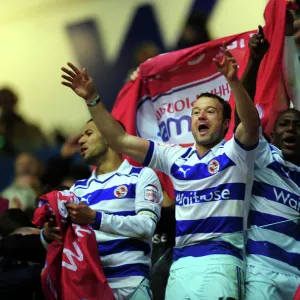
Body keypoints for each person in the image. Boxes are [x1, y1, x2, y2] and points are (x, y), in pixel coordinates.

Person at [61, 43, 260, 299]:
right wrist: (92, 99)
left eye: (210, 112)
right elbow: (120, 140)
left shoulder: (236, 153)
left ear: (225, 125)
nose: (201, 116)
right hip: (180, 264)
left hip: (220, 260)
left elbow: (252, 124)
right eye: (196, 112)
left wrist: (234, 82)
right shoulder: (175, 156)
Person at [42, 119, 163, 300]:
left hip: (130, 285)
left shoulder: (142, 176)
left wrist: (95, 218)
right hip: (90, 287)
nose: (81, 140)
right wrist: (47, 235)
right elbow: (60, 244)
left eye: (88, 134)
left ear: (110, 138)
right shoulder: (77, 189)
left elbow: (146, 226)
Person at [238, 23, 300, 300]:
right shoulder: (263, 155)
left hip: (296, 277)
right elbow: (245, 114)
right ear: (271, 134)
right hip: (261, 270)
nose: (291, 129)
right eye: (285, 124)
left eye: (298, 126)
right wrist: (255, 59)